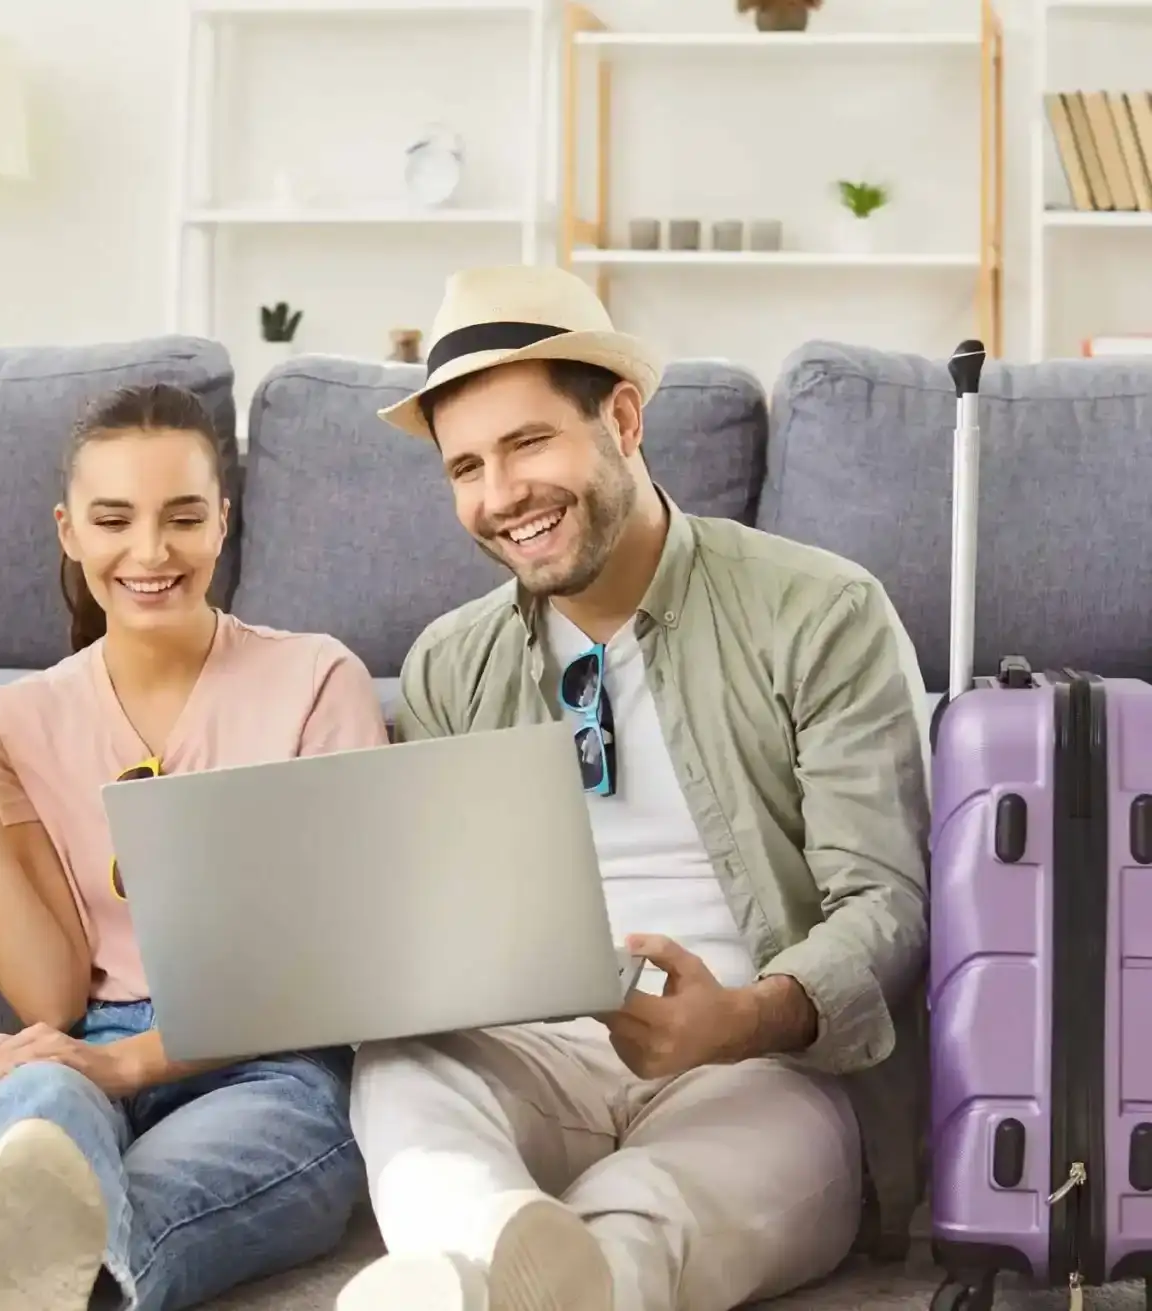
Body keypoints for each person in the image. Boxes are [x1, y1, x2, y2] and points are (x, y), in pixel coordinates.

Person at [333, 266, 931, 1311]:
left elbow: (885, 905)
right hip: (535, 1053)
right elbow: (438, 921)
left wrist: (744, 1018)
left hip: (761, 1070)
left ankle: (514, 1280)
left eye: (527, 444)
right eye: (465, 466)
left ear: (620, 418)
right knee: (402, 1070)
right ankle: (485, 1251)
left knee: (652, 1206)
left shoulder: (818, 612)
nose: (499, 496)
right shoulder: (448, 663)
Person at [0, 381, 388, 1311]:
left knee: (123, 1204)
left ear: (223, 522)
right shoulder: (20, 718)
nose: (151, 552)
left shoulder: (316, 679)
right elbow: (52, 997)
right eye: (114, 520)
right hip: (86, 1040)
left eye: (183, 517)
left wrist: (131, 1062)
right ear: (68, 532)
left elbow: (331, 968)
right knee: (39, 1123)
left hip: (270, 1061)